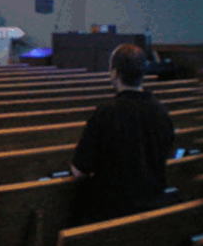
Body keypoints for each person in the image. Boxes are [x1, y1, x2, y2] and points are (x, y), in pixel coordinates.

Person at [70, 44, 175, 224]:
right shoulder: (161, 111)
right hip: (153, 206)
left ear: (115, 73)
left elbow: (80, 171)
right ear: (143, 74)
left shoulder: (106, 113)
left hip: (113, 212)